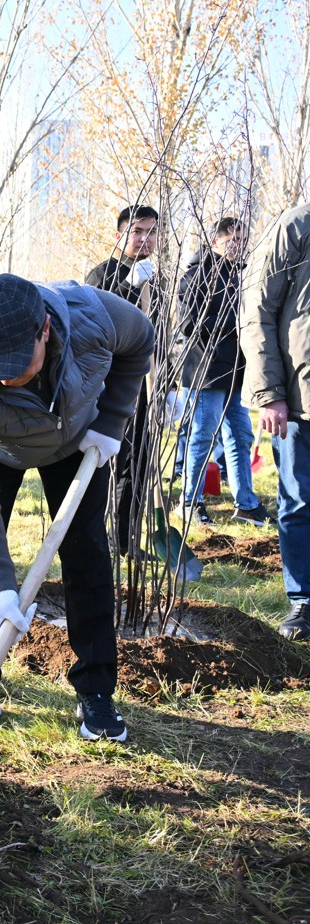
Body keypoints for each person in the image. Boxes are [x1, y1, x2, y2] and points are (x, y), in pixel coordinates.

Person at [0, 274, 153, 740]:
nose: (3, 379)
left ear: (45, 331)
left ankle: (96, 691)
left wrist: (111, 422)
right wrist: (1, 588)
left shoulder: (95, 318)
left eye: (14, 366)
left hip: (78, 442)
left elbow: (140, 341)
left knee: (87, 554)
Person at [241, 202, 310, 641]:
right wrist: (270, 393)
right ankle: (304, 601)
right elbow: (258, 310)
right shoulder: (297, 226)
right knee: (299, 500)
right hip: (301, 400)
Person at [178, 218, 271, 527]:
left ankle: (246, 504)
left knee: (240, 436)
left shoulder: (240, 276)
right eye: (233, 240)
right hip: (207, 371)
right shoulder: (196, 276)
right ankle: (190, 503)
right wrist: (235, 323)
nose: (238, 246)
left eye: (243, 241)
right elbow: (189, 324)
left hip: (235, 374)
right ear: (215, 241)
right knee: (202, 438)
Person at [85, 204, 162, 557]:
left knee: (138, 461)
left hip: (146, 386)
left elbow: (160, 335)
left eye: (152, 232)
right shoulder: (102, 275)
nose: (145, 239)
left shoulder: (156, 282)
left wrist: (167, 384)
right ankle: (97, 537)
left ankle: (125, 539)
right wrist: (129, 286)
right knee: (109, 461)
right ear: (119, 236)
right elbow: (96, 323)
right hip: (110, 386)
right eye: (137, 231)